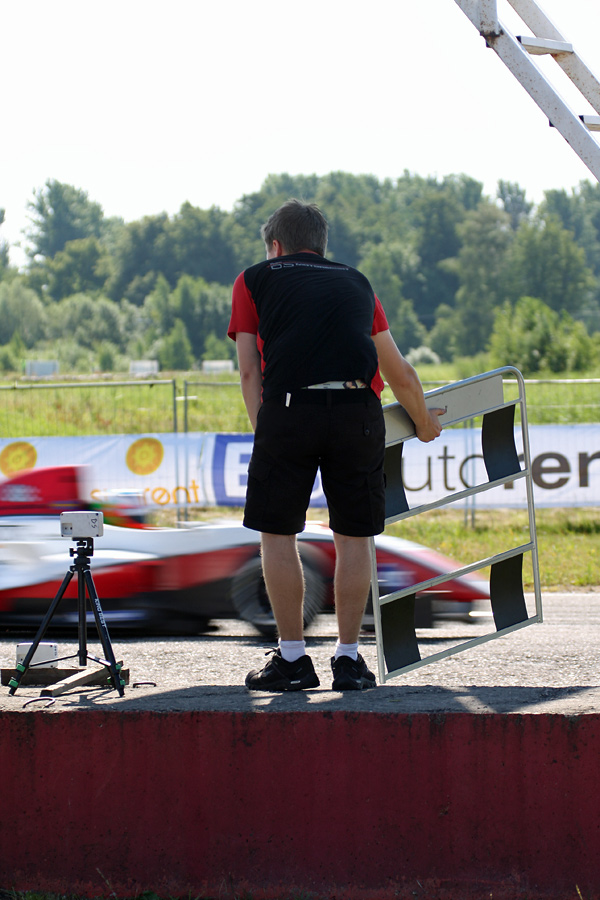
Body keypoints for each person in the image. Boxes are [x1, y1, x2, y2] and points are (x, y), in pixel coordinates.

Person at [228, 199, 444, 692]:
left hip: (289, 408)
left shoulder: (253, 278)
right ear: (322, 246)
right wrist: (424, 422)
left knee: (278, 534)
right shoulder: (357, 282)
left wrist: (267, 430)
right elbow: (398, 370)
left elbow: (248, 371)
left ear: (275, 246)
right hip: (357, 412)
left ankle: (292, 659)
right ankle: (349, 660)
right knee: (354, 536)